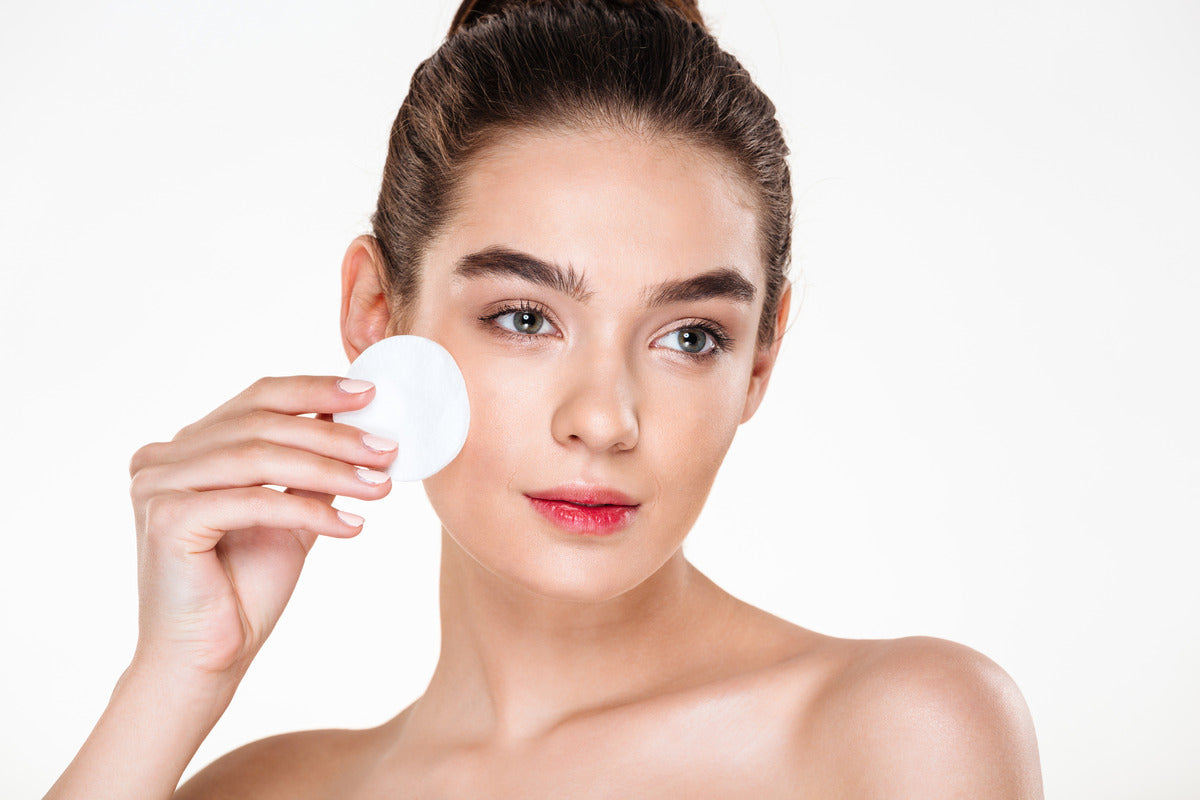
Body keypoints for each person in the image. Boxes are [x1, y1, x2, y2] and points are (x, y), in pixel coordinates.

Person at [46, 0, 1044, 796]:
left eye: (689, 335)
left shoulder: (901, 733)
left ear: (761, 359)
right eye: (525, 317)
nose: (603, 419)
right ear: (376, 310)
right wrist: (176, 676)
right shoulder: (262, 789)